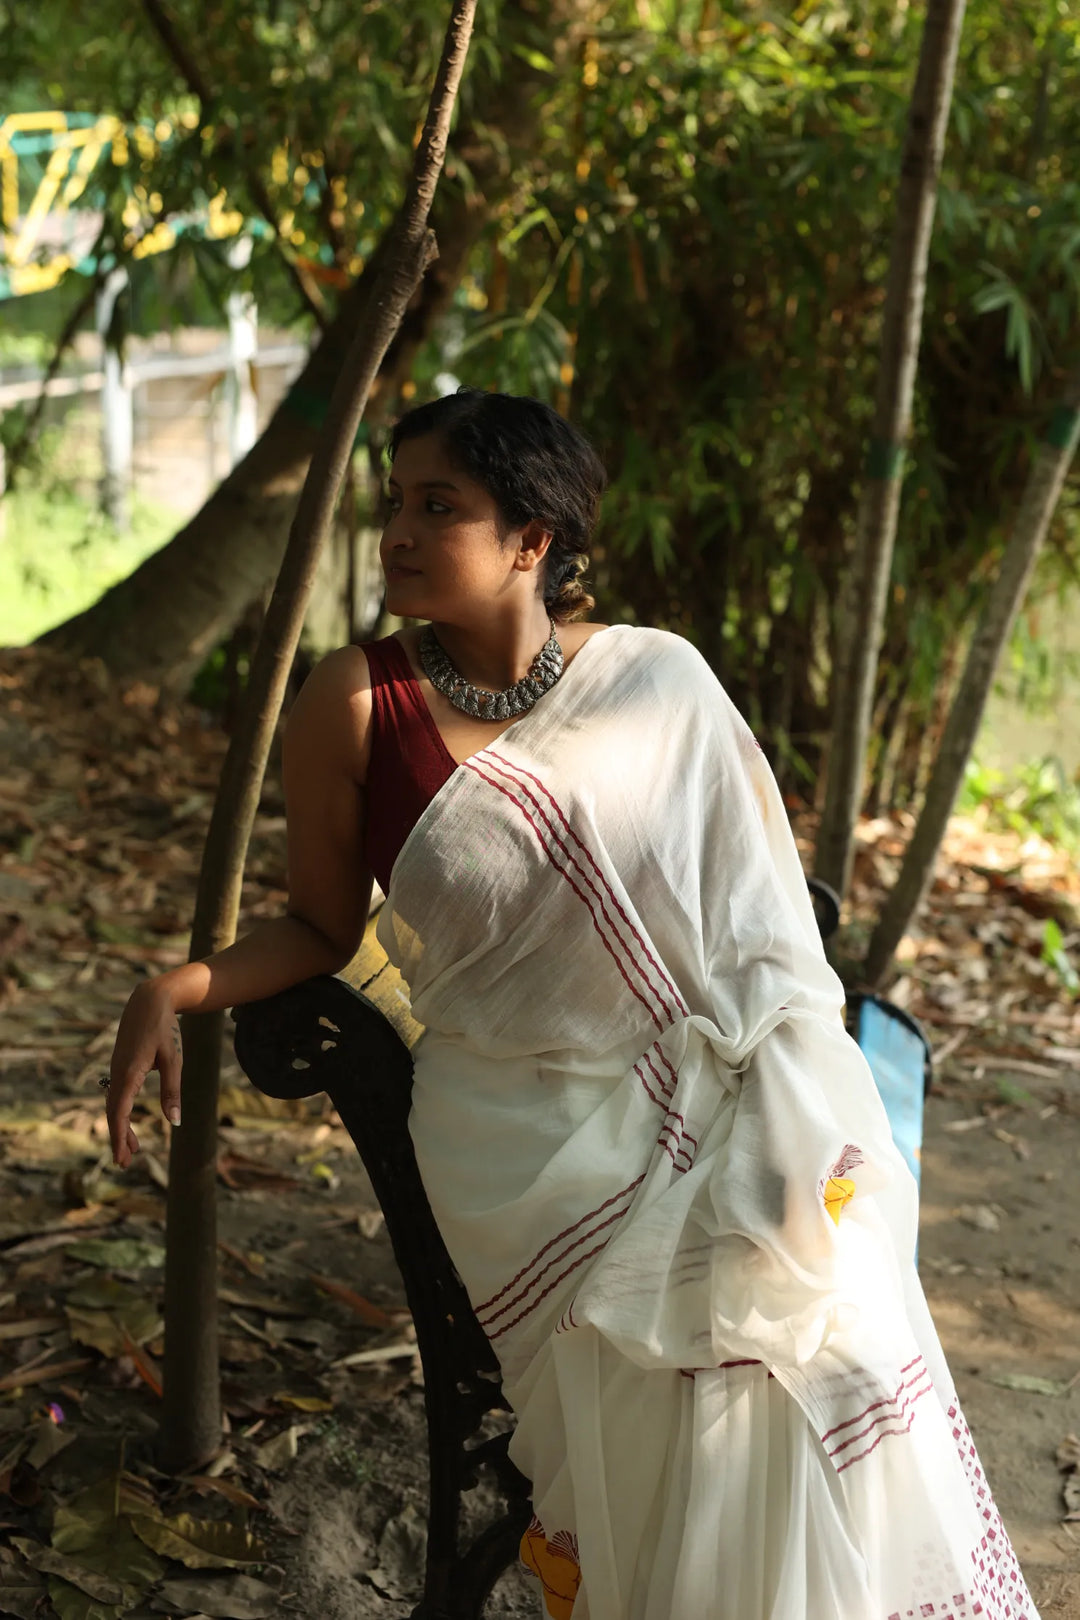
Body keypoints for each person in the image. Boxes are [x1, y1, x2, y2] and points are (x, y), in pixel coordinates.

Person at [106, 389, 1040, 1620]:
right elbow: (327, 929)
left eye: (439, 507)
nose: (395, 530)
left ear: (532, 539)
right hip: (528, 1137)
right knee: (701, 1367)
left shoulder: (661, 680)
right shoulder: (353, 703)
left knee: (804, 1324)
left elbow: (763, 943)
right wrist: (177, 983)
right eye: (395, 502)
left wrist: (775, 1128)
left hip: (738, 1099)